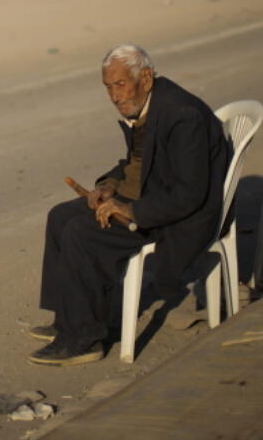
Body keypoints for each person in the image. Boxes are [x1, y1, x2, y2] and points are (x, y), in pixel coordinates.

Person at [28, 44, 232, 366]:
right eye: (108, 87)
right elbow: (136, 163)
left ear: (146, 78)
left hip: (175, 217)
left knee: (82, 232)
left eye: (120, 84)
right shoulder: (150, 104)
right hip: (151, 195)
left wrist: (130, 210)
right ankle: (67, 319)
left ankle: (84, 339)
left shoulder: (182, 115)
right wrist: (109, 186)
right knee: (60, 216)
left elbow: (189, 194)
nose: (113, 95)